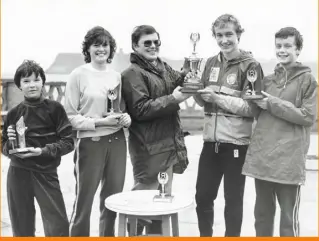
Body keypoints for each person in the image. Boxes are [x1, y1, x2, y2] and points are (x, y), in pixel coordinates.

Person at [192, 14, 264, 236]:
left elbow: (252, 109)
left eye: (229, 34)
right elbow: (203, 101)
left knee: (233, 200)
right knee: (202, 197)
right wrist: (196, 92)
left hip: (236, 144)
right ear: (214, 36)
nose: (224, 40)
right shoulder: (210, 62)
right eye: (219, 35)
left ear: (238, 34)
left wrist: (217, 98)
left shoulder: (251, 65)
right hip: (210, 143)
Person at [242, 27, 318, 237]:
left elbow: (307, 117)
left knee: (288, 220)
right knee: (262, 217)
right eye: (278, 46)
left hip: (289, 163)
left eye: (287, 46)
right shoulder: (266, 80)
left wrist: (270, 102)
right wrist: (249, 94)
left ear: (298, 50)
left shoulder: (309, 81)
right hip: (263, 159)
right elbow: (256, 112)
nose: (282, 50)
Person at [121, 25, 191, 235]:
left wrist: (189, 71)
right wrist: (174, 99)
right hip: (147, 148)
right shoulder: (132, 73)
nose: (153, 46)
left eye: (156, 42)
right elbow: (140, 109)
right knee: (142, 205)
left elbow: (177, 80)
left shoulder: (161, 66)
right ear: (135, 46)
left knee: (161, 204)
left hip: (167, 146)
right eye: (147, 43)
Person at [64, 26, 131, 237]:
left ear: (111, 49)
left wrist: (125, 118)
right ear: (88, 49)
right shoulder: (78, 75)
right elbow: (69, 117)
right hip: (90, 143)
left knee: (112, 201)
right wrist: (99, 123)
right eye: (96, 45)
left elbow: (119, 109)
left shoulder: (117, 76)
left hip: (118, 141)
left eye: (105, 45)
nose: (101, 49)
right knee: (84, 201)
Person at [1, 60, 73, 236]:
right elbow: (3, 147)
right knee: (21, 226)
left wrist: (43, 151)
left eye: (36, 80)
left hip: (46, 173)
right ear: (19, 85)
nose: (32, 85)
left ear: (43, 82)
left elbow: (69, 142)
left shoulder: (55, 109)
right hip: (18, 173)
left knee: (58, 226)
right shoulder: (13, 113)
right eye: (26, 81)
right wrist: (10, 143)